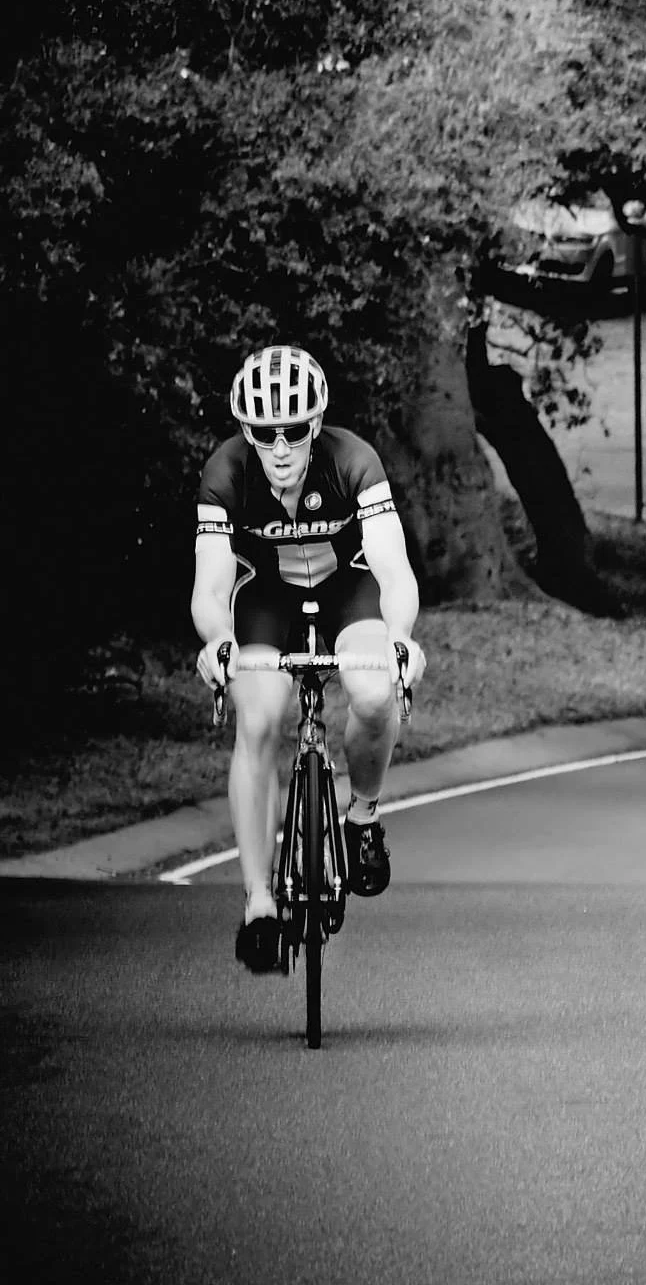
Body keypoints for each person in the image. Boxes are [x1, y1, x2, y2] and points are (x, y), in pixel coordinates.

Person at [192, 345, 424, 976]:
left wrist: (401, 636)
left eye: (295, 430)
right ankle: (260, 904)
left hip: (350, 589)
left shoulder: (354, 462)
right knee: (260, 718)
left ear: (317, 424)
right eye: (266, 434)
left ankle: (364, 815)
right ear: (248, 433)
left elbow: (393, 569)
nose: (282, 446)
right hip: (267, 600)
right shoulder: (225, 472)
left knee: (374, 694)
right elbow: (211, 589)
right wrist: (218, 641)